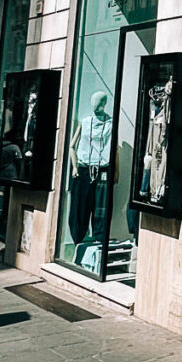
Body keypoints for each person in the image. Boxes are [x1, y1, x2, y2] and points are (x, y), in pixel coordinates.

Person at [67, 92, 114, 254]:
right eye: (93, 101)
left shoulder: (111, 124)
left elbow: (115, 150)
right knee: (80, 206)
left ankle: (99, 242)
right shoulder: (85, 122)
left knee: (100, 207)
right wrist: (74, 166)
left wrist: (116, 173)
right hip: (83, 169)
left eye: (99, 101)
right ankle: (78, 241)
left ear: (104, 104)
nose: (95, 104)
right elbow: (72, 146)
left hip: (102, 170)